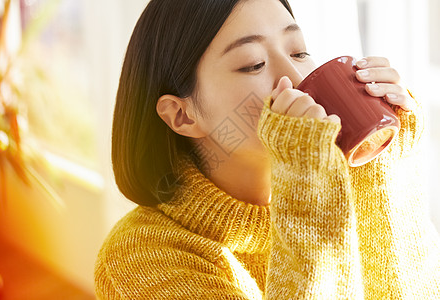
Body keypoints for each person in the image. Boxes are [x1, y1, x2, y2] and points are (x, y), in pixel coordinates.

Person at [94, 0, 440, 298]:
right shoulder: (139, 256)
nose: (296, 76)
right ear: (182, 115)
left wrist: (382, 165)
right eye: (253, 64)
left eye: (299, 51)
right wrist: (307, 182)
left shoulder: (339, 192)